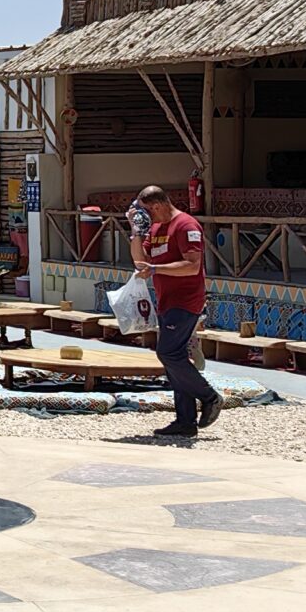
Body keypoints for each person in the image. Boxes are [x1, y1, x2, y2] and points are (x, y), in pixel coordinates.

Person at [129, 185, 218, 438]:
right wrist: (136, 231)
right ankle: (185, 421)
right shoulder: (156, 228)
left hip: (186, 301)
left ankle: (209, 397)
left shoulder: (186, 226)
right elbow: (140, 261)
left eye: (145, 212)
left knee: (167, 353)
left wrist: (157, 270)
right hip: (166, 300)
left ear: (156, 206)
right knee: (175, 359)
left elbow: (192, 266)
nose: (144, 217)